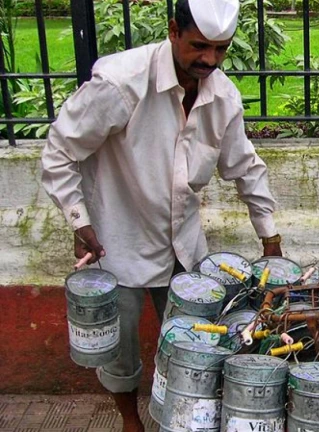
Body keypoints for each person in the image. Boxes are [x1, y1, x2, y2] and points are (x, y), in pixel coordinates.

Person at [41, 0, 281, 429]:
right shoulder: (121, 83)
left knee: (198, 346)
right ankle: (129, 421)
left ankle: (184, 419)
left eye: (220, 49)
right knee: (121, 351)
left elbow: (246, 167)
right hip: (119, 245)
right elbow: (60, 151)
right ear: (173, 30)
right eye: (199, 46)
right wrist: (80, 222)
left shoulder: (222, 96)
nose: (209, 59)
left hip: (184, 248)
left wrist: (271, 240)